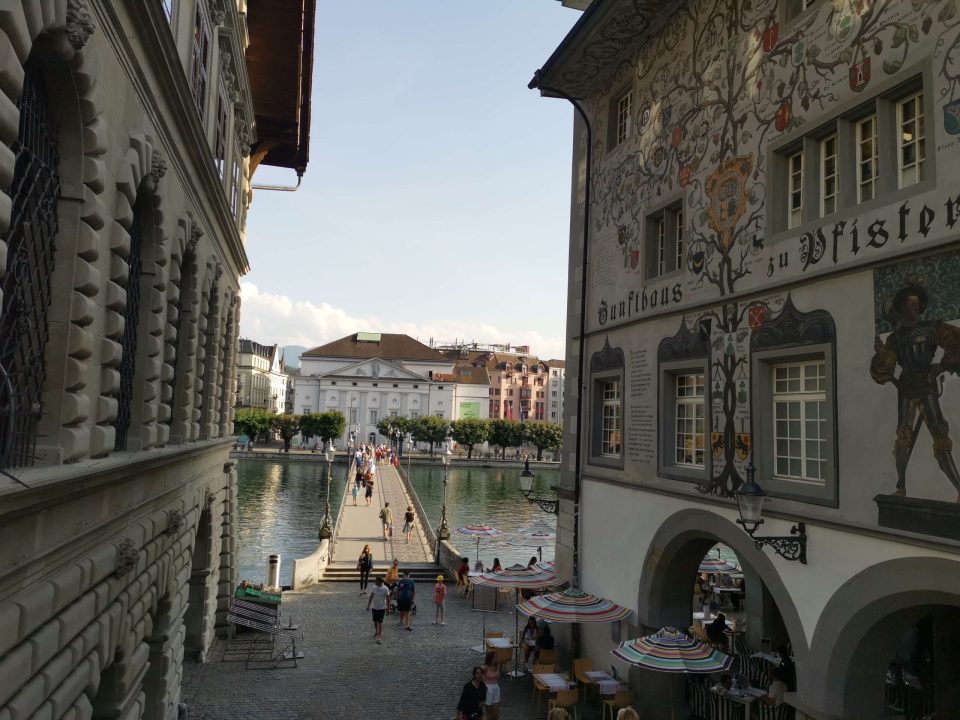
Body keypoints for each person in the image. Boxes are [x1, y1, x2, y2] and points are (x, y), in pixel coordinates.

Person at [871, 282, 960, 499]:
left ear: (920, 307)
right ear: (902, 308)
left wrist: (942, 365)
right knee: (903, 439)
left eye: (915, 304)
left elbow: (957, 342)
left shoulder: (932, 328)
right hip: (906, 386)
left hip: (927, 384)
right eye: (908, 304)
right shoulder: (895, 337)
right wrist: (882, 353)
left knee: (940, 434)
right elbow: (883, 369)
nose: (912, 308)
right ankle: (901, 487)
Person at [365, 575, 390, 644]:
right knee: (375, 621)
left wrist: (388, 608)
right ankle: (376, 631)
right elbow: (371, 596)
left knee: (380, 622)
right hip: (374, 607)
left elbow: (388, 599)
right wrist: (368, 605)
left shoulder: (385, 588)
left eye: (375, 581)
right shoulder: (374, 587)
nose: (374, 582)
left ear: (379, 582)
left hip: (382, 608)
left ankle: (379, 636)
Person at [482, 650, 502, 720]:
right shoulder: (485, 667)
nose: (496, 659)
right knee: (489, 712)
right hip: (488, 689)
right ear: (490, 659)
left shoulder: (498, 665)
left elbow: (497, 677)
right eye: (495, 657)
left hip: (496, 688)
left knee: (496, 713)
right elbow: (479, 676)